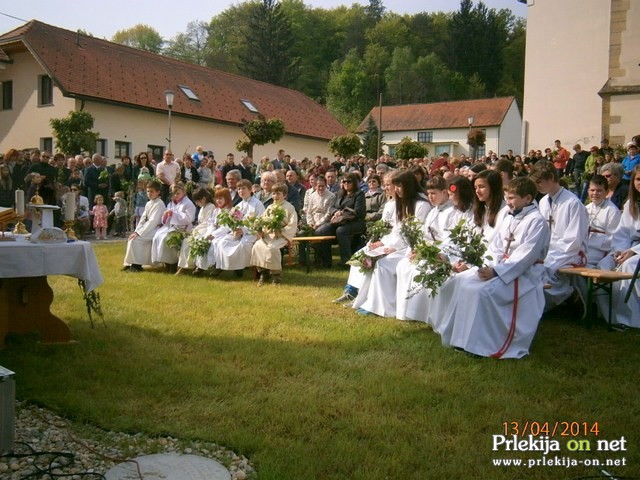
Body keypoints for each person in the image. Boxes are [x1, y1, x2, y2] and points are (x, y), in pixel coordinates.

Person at [444, 177, 551, 358]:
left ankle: (486, 344)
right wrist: (487, 265)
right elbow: (496, 248)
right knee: (464, 283)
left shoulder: (536, 221)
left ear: (527, 198)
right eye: (507, 198)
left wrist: (496, 272)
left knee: (483, 292)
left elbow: (526, 256)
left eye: (512, 198)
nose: (508, 202)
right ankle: (463, 340)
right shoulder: (511, 216)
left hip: (524, 274)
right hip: (502, 267)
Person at [351, 170, 432, 317]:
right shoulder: (401, 204)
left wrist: (393, 247)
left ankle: (384, 307)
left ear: (409, 186)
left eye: (400, 186)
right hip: (396, 244)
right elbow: (396, 230)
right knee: (368, 257)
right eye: (396, 186)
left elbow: (417, 233)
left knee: (383, 265)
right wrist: (382, 243)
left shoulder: (421, 205)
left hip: (409, 248)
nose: (397, 190)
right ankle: (365, 298)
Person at [395, 175, 458, 322]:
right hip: (428, 250)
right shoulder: (433, 211)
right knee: (404, 265)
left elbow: (450, 239)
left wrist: (431, 252)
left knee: (421, 268)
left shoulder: (452, 212)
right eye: (428, 193)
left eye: (434, 193)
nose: (430, 197)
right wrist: (417, 249)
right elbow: (424, 235)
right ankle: (407, 311)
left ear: (445, 192)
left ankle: (427, 314)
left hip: (441, 252)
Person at [529, 161, 589, 314]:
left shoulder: (573, 203)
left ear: (551, 178)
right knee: (530, 267)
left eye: (539, 182)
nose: (537, 186)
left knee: (544, 269)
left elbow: (574, 240)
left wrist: (549, 250)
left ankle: (569, 294)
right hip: (549, 250)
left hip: (569, 252)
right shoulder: (543, 202)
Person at [596, 165, 640, 329]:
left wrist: (633, 251)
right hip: (628, 248)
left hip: (636, 252)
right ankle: (607, 314)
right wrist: (619, 251)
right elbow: (622, 233)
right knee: (604, 265)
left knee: (629, 266)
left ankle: (628, 319)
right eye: (637, 179)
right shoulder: (631, 204)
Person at [250, 182, 298, 286]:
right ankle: (263, 273)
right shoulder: (270, 207)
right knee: (257, 247)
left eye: (278, 194)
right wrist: (260, 229)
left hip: (281, 236)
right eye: (273, 194)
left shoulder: (289, 208)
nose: (275, 196)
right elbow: (262, 220)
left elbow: (293, 224)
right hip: (268, 235)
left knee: (272, 249)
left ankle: (276, 276)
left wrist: (281, 231)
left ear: (285, 195)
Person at [214, 179, 265, 276]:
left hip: (252, 233)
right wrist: (235, 229)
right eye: (239, 189)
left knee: (243, 245)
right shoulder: (238, 206)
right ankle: (223, 267)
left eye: (243, 188)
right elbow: (233, 222)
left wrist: (244, 230)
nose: (241, 191)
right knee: (223, 242)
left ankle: (240, 268)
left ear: (250, 190)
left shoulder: (257, 204)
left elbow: (259, 223)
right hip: (238, 232)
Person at [315, 172, 366, 268]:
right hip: (338, 221)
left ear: (354, 182)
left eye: (349, 181)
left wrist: (342, 213)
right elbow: (331, 207)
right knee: (321, 230)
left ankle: (346, 261)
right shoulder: (339, 193)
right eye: (344, 181)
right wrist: (336, 212)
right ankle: (325, 261)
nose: (346, 183)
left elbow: (358, 212)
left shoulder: (359, 194)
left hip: (356, 222)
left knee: (341, 231)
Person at [151, 182, 196, 272]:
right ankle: (165, 262)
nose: (176, 195)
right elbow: (166, 219)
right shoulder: (171, 203)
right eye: (174, 193)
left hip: (183, 229)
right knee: (157, 237)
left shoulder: (188, 203)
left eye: (178, 193)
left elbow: (189, 218)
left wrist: (174, 214)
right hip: (171, 226)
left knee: (166, 238)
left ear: (184, 192)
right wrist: (166, 215)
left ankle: (172, 264)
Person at [123, 180, 166, 272]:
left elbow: (153, 221)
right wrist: (136, 231)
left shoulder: (159, 204)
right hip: (148, 228)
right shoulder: (148, 203)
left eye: (152, 191)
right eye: (148, 191)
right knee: (132, 238)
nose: (149, 194)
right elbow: (142, 220)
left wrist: (139, 233)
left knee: (136, 240)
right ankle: (129, 263)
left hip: (156, 229)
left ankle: (136, 265)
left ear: (158, 192)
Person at [176, 188, 216, 275]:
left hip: (207, 230)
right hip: (200, 229)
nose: (197, 203)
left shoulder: (211, 207)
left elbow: (207, 223)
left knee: (193, 241)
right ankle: (184, 266)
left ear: (203, 199)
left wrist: (196, 229)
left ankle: (190, 266)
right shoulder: (202, 208)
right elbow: (200, 222)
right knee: (186, 241)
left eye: (197, 201)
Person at [584, 175, 621, 267]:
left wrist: (595, 238)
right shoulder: (585, 208)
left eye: (599, 190)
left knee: (581, 263)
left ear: (607, 192)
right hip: (584, 247)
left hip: (600, 250)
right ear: (588, 191)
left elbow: (613, 238)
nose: (595, 193)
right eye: (592, 190)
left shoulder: (612, 211)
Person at [195, 188, 233, 273]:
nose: (218, 201)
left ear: (226, 199)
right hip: (213, 232)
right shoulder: (216, 210)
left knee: (215, 243)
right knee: (202, 240)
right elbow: (211, 223)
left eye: (220, 198)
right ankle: (200, 266)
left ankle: (216, 266)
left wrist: (214, 234)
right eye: (217, 198)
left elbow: (226, 227)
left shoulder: (230, 211)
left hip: (224, 234)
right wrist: (210, 233)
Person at [472, 170, 509, 244]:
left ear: (493, 187)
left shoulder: (505, 211)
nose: (477, 191)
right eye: (476, 187)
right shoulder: (480, 209)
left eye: (481, 187)